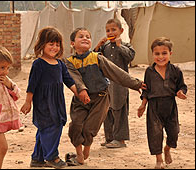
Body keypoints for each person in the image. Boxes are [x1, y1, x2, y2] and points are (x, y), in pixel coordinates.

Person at [62, 27, 146, 165]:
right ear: (72, 43)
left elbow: (116, 73)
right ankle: (78, 153)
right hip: (80, 99)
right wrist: (82, 90)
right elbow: (74, 78)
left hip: (100, 98)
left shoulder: (97, 58)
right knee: (76, 124)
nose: (85, 38)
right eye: (81, 36)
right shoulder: (69, 61)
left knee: (90, 127)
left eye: (88, 37)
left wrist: (136, 84)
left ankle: (86, 150)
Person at [20, 27, 90, 169]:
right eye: (51, 44)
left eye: (57, 44)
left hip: (57, 102)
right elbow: (32, 85)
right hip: (43, 103)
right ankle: (52, 157)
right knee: (50, 128)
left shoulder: (60, 64)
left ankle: (37, 159)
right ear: (42, 45)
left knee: (47, 128)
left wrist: (80, 94)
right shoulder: (38, 64)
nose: (54, 47)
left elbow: (69, 81)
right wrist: (28, 102)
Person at [137, 37, 187, 169]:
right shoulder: (149, 71)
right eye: (157, 53)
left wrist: (181, 92)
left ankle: (167, 149)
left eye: (164, 53)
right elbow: (146, 90)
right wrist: (143, 105)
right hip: (154, 107)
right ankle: (159, 160)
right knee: (155, 134)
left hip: (170, 106)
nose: (160, 57)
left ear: (170, 53)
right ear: (152, 54)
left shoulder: (176, 70)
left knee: (174, 133)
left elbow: (182, 86)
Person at [94, 18, 134, 148]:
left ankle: (120, 139)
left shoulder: (126, 45)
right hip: (107, 84)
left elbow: (130, 57)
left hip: (120, 84)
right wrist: (97, 47)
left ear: (121, 31)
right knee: (107, 111)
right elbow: (95, 59)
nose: (110, 32)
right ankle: (109, 137)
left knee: (119, 109)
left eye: (113, 30)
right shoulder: (104, 47)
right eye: (108, 30)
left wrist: (119, 46)